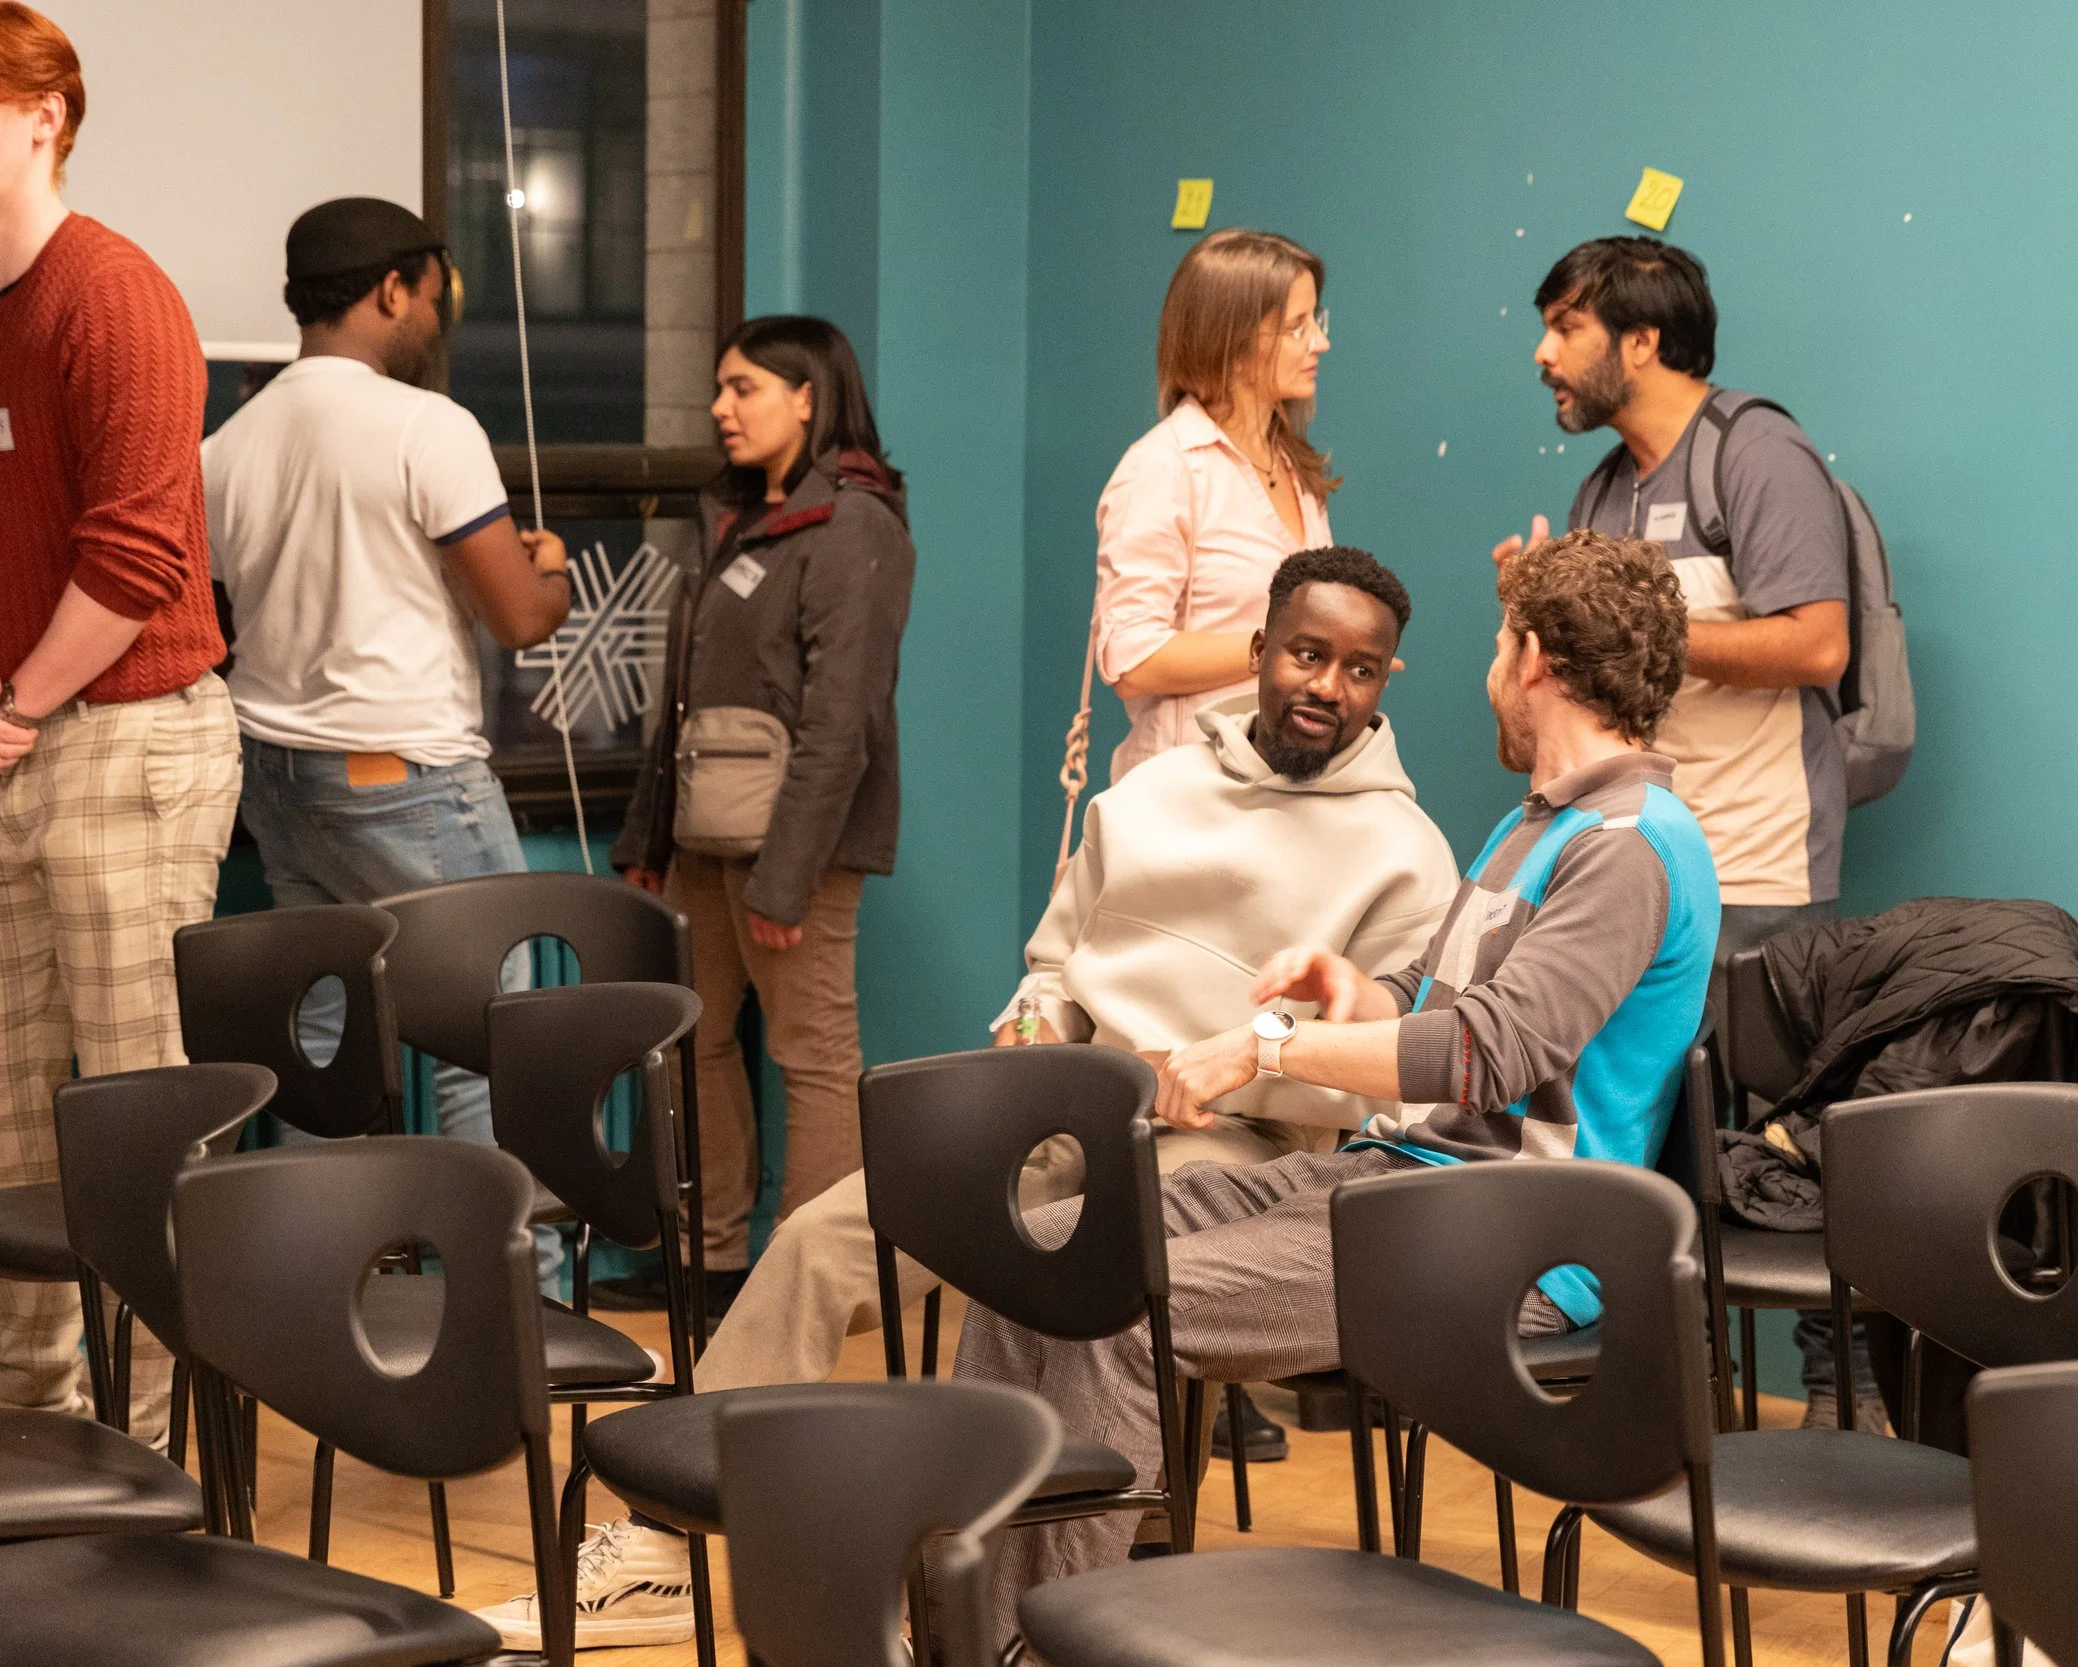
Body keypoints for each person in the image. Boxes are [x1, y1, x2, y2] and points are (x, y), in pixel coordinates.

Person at [487, 547, 1457, 1652]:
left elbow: (1385, 1059)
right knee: (820, 1240)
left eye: (1360, 669)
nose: (1328, 685)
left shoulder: (1406, 855)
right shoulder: (1146, 796)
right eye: (1306, 654)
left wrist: (1242, 1061)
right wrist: (1030, 1030)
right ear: (1257, 650)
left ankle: (999, 1570)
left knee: (1049, 1261)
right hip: (1063, 1105)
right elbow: (1052, 966)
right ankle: (664, 1545)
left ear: (1386, 680)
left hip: (1238, 1144)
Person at [955, 528, 1719, 1627]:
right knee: (1042, 1251)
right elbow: (1439, 997)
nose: (1491, 671)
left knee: (1127, 1314)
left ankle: (1044, 1638)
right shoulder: (1539, 823)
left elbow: (1491, 1050)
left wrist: (1263, 1047)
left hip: (1510, 1239)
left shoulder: (1631, 845)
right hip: (1395, 1183)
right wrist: (1357, 988)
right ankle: (968, 1621)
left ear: (1535, 659)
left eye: (1499, 645)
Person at [1498, 235, 1872, 1423]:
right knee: (1647, 1141)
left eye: (1565, 326)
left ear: (1643, 338)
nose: (1543, 352)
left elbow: (1818, 642)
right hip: (1628, 851)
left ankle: (1842, 1400)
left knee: (1777, 1145)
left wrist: (1633, 629)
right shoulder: (1602, 490)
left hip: (1755, 861)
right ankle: (1673, 1407)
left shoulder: (1755, 454)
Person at [201, 197, 573, 1288]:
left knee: (323, 1038)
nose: (436, 319)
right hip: (406, 772)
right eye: (432, 295)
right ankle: (515, 1301)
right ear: (392, 289)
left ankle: (335, 1290)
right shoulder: (427, 426)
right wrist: (549, 569)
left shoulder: (226, 447)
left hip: (278, 777)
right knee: (492, 1034)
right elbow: (519, 616)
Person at [0, 2, 241, 1437]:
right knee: (13, 1120)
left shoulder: (109, 292)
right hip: (27, 732)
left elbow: (140, 553)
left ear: (43, 118)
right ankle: (36, 1434)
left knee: (138, 1110)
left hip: (124, 733)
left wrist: (20, 704)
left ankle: (150, 1454)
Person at [601, 316, 914, 1322]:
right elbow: (684, 699)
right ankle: (710, 1263)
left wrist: (786, 879)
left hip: (798, 852)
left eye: (743, 389)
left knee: (811, 1057)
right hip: (703, 837)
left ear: (807, 397)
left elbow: (843, 720)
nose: (719, 409)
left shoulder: (857, 526)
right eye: (719, 389)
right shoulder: (740, 518)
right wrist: (649, 838)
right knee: (697, 1043)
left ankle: (811, 1286)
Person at [1093, 228, 1336, 781]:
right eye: (1296, 327)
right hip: (1186, 795)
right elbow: (1131, 659)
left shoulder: (1293, 465)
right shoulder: (1164, 466)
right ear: (1233, 342)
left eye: (1317, 320)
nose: (1319, 342)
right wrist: (1286, 651)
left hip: (1279, 788)